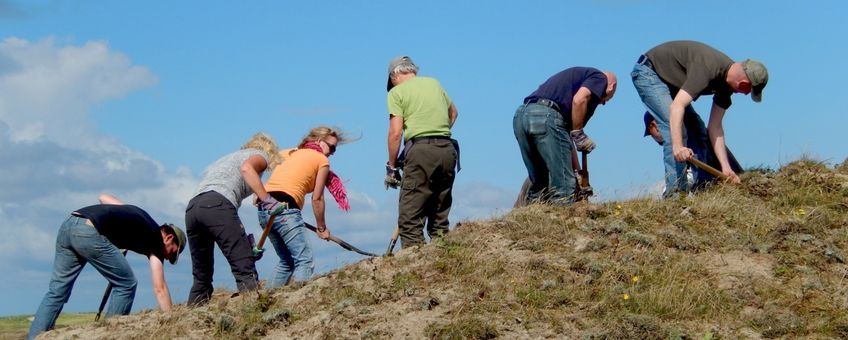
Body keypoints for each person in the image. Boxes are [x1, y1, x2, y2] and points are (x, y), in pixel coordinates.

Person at [28, 194, 186, 340]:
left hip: (69, 223)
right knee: (126, 284)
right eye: (171, 253)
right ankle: (111, 335)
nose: (167, 257)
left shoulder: (138, 213)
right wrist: (171, 322)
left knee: (57, 291)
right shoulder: (156, 241)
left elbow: (103, 197)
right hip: (89, 232)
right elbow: (160, 288)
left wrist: (118, 231)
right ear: (169, 237)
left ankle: (34, 337)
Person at [632, 40, 767, 197]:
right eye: (747, 91)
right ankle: (676, 197)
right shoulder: (708, 68)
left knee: (698, 130)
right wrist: (677, 146)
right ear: (743, 84)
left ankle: (702, 188)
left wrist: (726, 167)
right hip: (649, 72)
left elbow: (715, 127)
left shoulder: (726, 86)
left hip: (672, 84)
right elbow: (676, 107)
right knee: (674, 131)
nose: (744, 94)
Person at [185, 132, 283, 306]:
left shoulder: (229, 158)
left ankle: (190, 322)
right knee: (244, 267)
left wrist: (246, 244)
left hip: (193, 208)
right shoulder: (259, 155)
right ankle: (252, 311)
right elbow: (247, 169)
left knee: (201, 277)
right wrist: (269, 201)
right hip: (217, 204)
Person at [258, 126, 351, 287]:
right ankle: (299, 303)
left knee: (287, 261)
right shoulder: (321, 160)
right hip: (285, 209)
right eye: (332, 147)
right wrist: (322, 228)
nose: (332, 152)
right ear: (320, 141)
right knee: (304, 260)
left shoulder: (287, 153)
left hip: (264, 209)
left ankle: (265, 302)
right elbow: (317, 198)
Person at [384, 56, 459, 248]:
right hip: (447, 150)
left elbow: (395, 133)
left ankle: (415, 265)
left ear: (395, 75)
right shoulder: (434, 84)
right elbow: (454, 113)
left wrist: (392, 167)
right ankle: (443, 257)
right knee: (439, 213)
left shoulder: (396, 93)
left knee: (410, 218)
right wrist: (437, 132)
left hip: (420, 153)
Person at [513, 67, 617, 205]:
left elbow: (564, 141)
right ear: (612, 87)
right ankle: (564, 221)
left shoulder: (567, 89)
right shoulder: (599, 78)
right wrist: (579, 134)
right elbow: (579, 100)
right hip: (546, 116)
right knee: (563, 186)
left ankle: (531, 219)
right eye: (607, 99)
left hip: (521, 117)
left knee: (539, 181)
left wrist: (578, 174)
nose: (603, 102)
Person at [642, 112, 742, 193]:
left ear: (654, 126)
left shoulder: (688, 141)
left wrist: (668, 192)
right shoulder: (695, 134)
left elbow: (693, 175)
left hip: (725, 186)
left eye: (651, 134)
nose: (653, 138)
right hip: (731, 180)